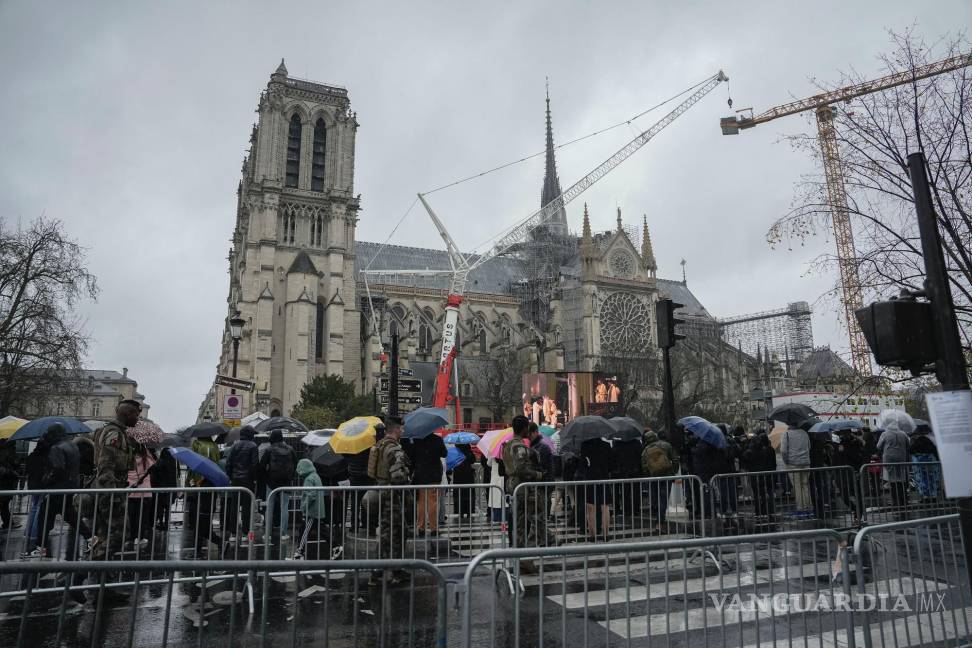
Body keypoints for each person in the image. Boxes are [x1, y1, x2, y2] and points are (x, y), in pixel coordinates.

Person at [90, 399, 142, 562]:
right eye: (136, 415)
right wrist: (112, 495)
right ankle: (85, 571)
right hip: (110, 492)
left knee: (105, 534)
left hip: (112, 490)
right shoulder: (114, 434)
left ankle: (101, 576)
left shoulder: (118, 433)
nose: (137, 419)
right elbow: (106, 466)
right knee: (120, 534)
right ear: (127, 414)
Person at [367, 416, 411, 585]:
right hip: (392, 496)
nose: (403, 431)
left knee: (390, 531)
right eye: (402, 428)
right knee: (394, 533)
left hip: (383, 491)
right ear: (397, 429)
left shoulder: (381, 444)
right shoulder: (393, 448)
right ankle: (387, 571)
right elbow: (398, 476)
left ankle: (391, 569)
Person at [503, 415, 548, 565]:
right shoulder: (519, 446)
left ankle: (521, 556)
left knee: (519, 523)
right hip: (522, 488)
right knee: (532, 518)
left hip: (513, 486)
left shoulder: (508, 444)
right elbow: (522, 468)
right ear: (524, 429)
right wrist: (538, 474)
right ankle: (529, 553)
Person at [34, 423, 81, 559]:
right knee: (67, 515)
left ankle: (40, 546)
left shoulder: (56, 448)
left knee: (46, 514)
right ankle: (91, 536)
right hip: (70, 485)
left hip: (58, 487)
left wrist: (46, 479)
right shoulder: (72, 445)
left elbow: (57, 468)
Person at [407, 431, 447, 536]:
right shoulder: (438, 439)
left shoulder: (416, 440)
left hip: (420, 476)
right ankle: (434, 528)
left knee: (421, 503)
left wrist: (411, 472)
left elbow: (412, 458)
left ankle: (421, 528)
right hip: (434, 476)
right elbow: (444, 453)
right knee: (433, 503)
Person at [225, 426, 259, 541]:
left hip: (235, 480)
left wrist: (230, 476)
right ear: (250, 434)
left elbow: (229, 463)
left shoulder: (235, 445)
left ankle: (233, 533)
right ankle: (245, 533)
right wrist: (255, 478)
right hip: (248, 480)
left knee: (234, 506)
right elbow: (255, 464)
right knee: (246, 508)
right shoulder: (253, 446)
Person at [641, 428, 679, 532]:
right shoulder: (666, 445)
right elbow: (675, 459)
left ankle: (658, 522)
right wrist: (673, 472)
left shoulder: (645, 451)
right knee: (663, 499)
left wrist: (650, 474)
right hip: (667, 477)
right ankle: (659, 523)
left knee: (656, 500)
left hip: (653, 478)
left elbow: (644, 468)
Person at [261, 429, 297, 536]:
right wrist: (291, 476)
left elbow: (262, 466)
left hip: (272, 481)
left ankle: (267, 533)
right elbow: (296, 463)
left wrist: (266, 477)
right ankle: (284, 533)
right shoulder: (290, 449)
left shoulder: (269, 450)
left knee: (269, 506)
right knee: (285, 506)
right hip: (286, 481)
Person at [875, 409, 913, 510]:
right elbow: (908, 446)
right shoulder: (903, 434)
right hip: (901, 459)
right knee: (902, 480)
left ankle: (896, 501)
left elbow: (878, 446)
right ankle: (904, 500)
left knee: (893, 481)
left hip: (889, 460)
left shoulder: (885, 434)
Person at [579, 437, 614, 542]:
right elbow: (611, 465)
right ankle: (606, 534)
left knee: (591, 507)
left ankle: (592, 534)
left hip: (590, 479)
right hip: (604, 478)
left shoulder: (584, 445)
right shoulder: (606, 446)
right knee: (605, 506)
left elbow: (582, 464)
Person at [293, 458, 326, 560]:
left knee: (304, 531)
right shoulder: (315, 476)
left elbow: (310, 495)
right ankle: (336, 546)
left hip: (311, 511)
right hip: (317, 509)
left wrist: (303, 507)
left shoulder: (308, 479)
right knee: (321, 531)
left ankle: (299, 552)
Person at [741, 431, 777, 518]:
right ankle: (766, 510)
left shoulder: (750, 452)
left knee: (757, 494)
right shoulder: (765, 450)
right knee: (763, 493)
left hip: (754, 475)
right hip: (763, 474)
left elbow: (745, 460)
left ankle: (758, 511)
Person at [780, 421, 812, 514]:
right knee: (805, 485)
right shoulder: (804, 433)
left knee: (797, 486)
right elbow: (809, 447)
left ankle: (801, 507)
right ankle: (808, 506)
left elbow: (783, 451)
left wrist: (787, 461)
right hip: (806, 463)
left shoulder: (786, 434)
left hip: (793, 464)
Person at [610, 431, 642, 519]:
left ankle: (627, 510)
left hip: (622, 472)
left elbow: (613, 457)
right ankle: (636, 509)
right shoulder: (636, 443)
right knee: (636, 491)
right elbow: (640, 456)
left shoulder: (618, 444)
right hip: (635, 471)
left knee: (625, 492)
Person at [909, 427, 940, 501]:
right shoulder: (929, 441)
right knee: (932, 480)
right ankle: (933, 496)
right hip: (931, 464)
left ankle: (925, 496)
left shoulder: (917, 441)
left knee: (922, 480)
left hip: (920, 465)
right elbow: (934, 451)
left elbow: (911, 450)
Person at [451, 444, 476, 518]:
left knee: (459, 495)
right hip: (468, 476)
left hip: (458, 476)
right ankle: (469, 511)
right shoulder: (469, 452)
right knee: (469, 494)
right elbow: (473, 461)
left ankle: (460, 512)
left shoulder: (456, 452)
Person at [0, 438, 18, 533]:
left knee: (4, 505)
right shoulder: (4, 454)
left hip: (5, 484)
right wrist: (12, 473)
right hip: (3, 484)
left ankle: (8, 523)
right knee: (4, 505)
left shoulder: (7, 455)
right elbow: (3, 470)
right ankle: (8, 523)